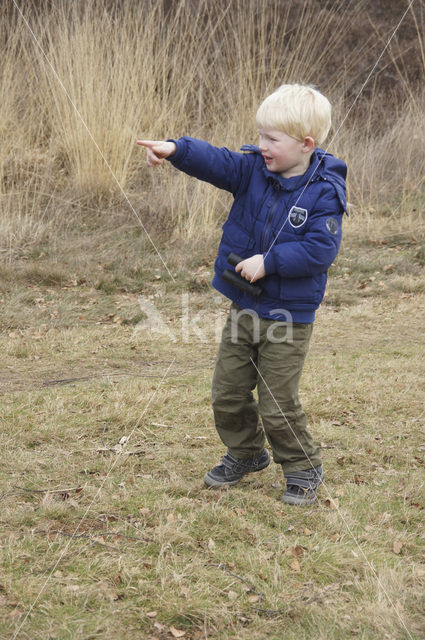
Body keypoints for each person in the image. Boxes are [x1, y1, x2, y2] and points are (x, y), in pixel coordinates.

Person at [137, 83, 347, 505]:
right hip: (244, 305)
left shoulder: (325, 190)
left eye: (272, 139)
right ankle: (247, 453)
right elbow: (216, 161)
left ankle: (304, 467)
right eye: (261, 135)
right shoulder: (253, 170)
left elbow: (321, 249)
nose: (262, 145)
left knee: (276, 401)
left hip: (289, 315)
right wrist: (176, 149)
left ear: (306, 144)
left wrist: (269, 262)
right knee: (227, 392)